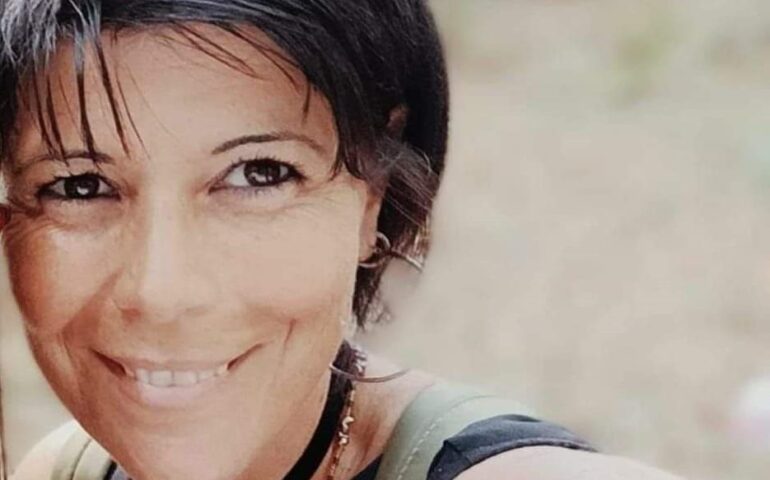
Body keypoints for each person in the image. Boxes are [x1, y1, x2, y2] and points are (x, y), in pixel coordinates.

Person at [0, 1, 683, 479]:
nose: (161, 293)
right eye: (78, 186)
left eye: (259, 174)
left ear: (373, 195)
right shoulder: (69, 468)